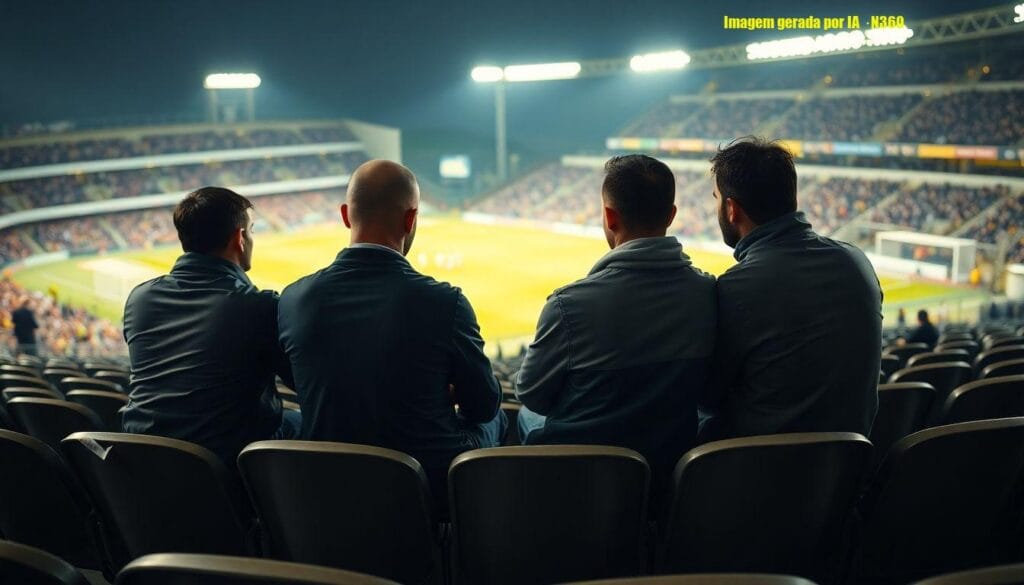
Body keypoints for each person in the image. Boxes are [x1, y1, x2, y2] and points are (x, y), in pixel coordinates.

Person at [278, 160, 503, 513]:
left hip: (326, 481)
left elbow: (300, 380)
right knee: (498, 417)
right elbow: (484, 404)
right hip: (425, 489)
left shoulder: (291, 299)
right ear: (411, 219)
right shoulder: (445, 301)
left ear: (345, 215)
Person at [515, 154, 716, 493]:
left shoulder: (567, 304)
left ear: (609, 216)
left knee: (523, 416)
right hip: (669, 478)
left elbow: (533, 395)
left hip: (582, 483)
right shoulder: (709, 292)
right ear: (671, 215)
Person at [700, 137, 882, 442]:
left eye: (717, 197)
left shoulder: (737, 288)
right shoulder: (856, 262)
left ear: (731, 209)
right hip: (847, 470)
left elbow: (708, 395)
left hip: (757, 475)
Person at [122, 186, 299, 464]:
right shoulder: (257, 307)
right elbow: (303, 381)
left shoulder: (139, 299)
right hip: (223, 466)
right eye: (251, 230)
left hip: (145, 463)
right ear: (240, 238)